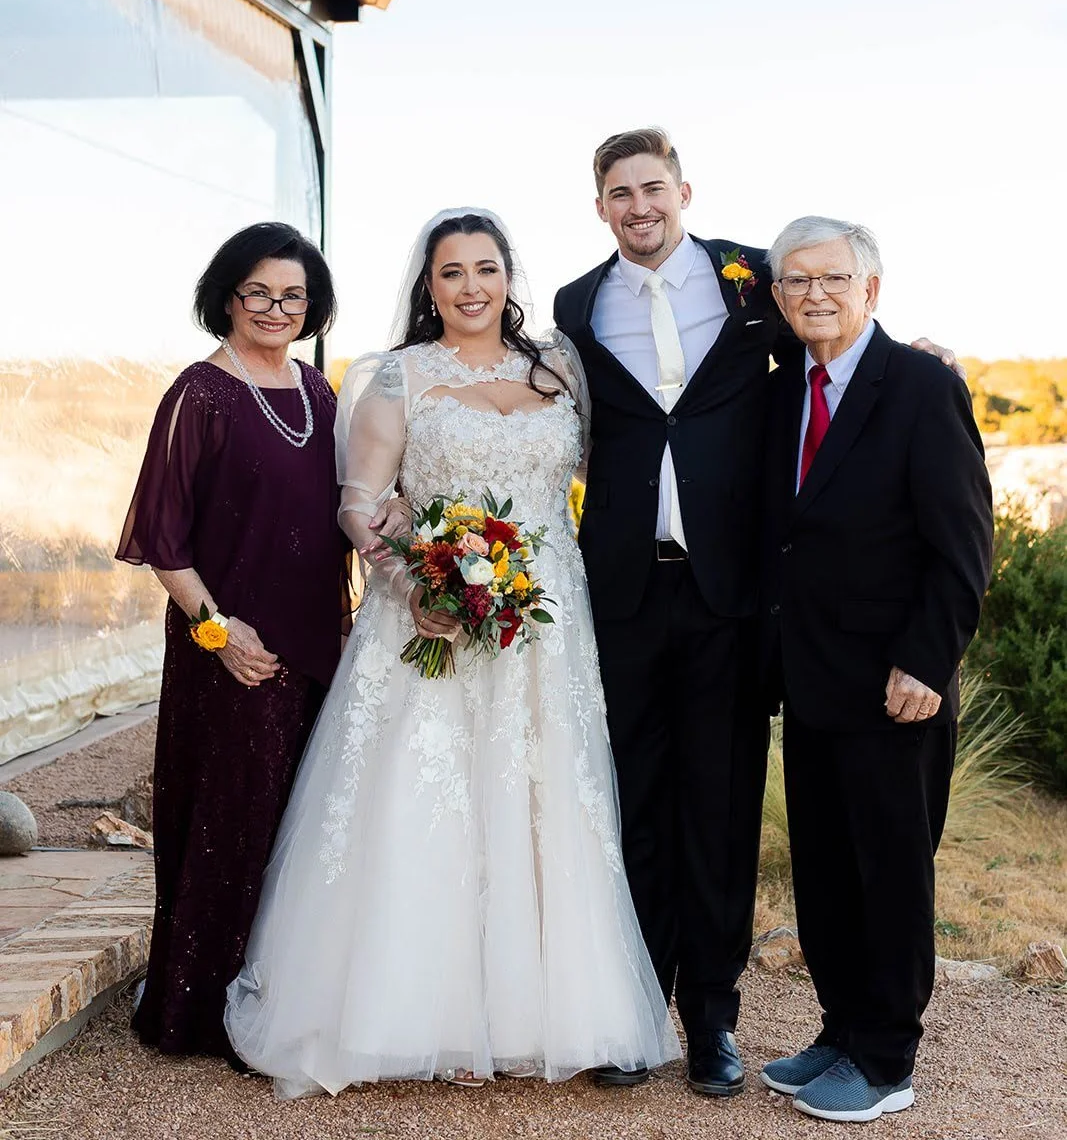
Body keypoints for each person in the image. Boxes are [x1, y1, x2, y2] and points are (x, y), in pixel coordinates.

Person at [225, 210, 679, 1096]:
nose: (471, 287)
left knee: (545, 797)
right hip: (430, 620)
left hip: (548, 624)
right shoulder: (396, 377)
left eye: (485, 268)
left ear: (509, 275)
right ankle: (414, 1013)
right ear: (426, 288)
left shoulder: (559, 369)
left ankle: (540, 1014)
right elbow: (360, 504)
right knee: (426, 797)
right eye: (451, 273)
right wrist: (414, 586)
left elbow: (612, 464)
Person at [552, 128, 961, 1099]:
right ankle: (633, 1011)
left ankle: (712, 1022)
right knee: (632, 807)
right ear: (599, 206)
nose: (637, 206)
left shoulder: (752, 280)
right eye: (618, 193)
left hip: (730, 597)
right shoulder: (575, 302)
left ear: (682, 190)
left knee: (721, 811)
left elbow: (840, 349)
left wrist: (919, 356)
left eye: (651, 187)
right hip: (621, 594)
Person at [758, 216, 992, 1123]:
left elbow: (962, 546)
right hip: (809, 679)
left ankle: (887, 1059)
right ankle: (840, 1029)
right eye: (795, 282)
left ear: (871, 289)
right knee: (823, 869)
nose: (815, 294)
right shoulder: (785, 394)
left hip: (898, 685)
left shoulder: (922, 386)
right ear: (776, 299)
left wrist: (926, 661)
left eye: (833, 278)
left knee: (889, 874)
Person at [116, 222, 349, 1060]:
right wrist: (217, 632)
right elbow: (161, 538)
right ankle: (197, 1010)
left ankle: (278, 1002)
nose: (277, 308)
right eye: (260, 293)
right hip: (232, 652)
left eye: (294, 296)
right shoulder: (199, 394)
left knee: (301, 825)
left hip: (317, 644)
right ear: (227, 296)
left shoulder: (319, 393)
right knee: (231, 822)